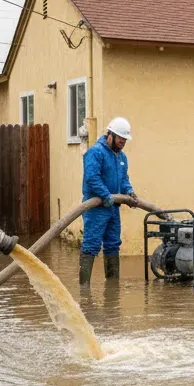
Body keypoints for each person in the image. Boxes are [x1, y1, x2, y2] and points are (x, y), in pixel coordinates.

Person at [80, 117, 137, 284]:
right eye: (120, 139)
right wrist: (106, 196)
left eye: (125, 140)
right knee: (91, 245)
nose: (122, 143)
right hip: (96, 208)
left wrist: (129, 191)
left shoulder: (122, 157)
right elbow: (92, 178)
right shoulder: (95, 153)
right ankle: (84, 289)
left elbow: (124, 179)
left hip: (113, 208)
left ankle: (112, 288)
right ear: (110, 135)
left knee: (113, 245)